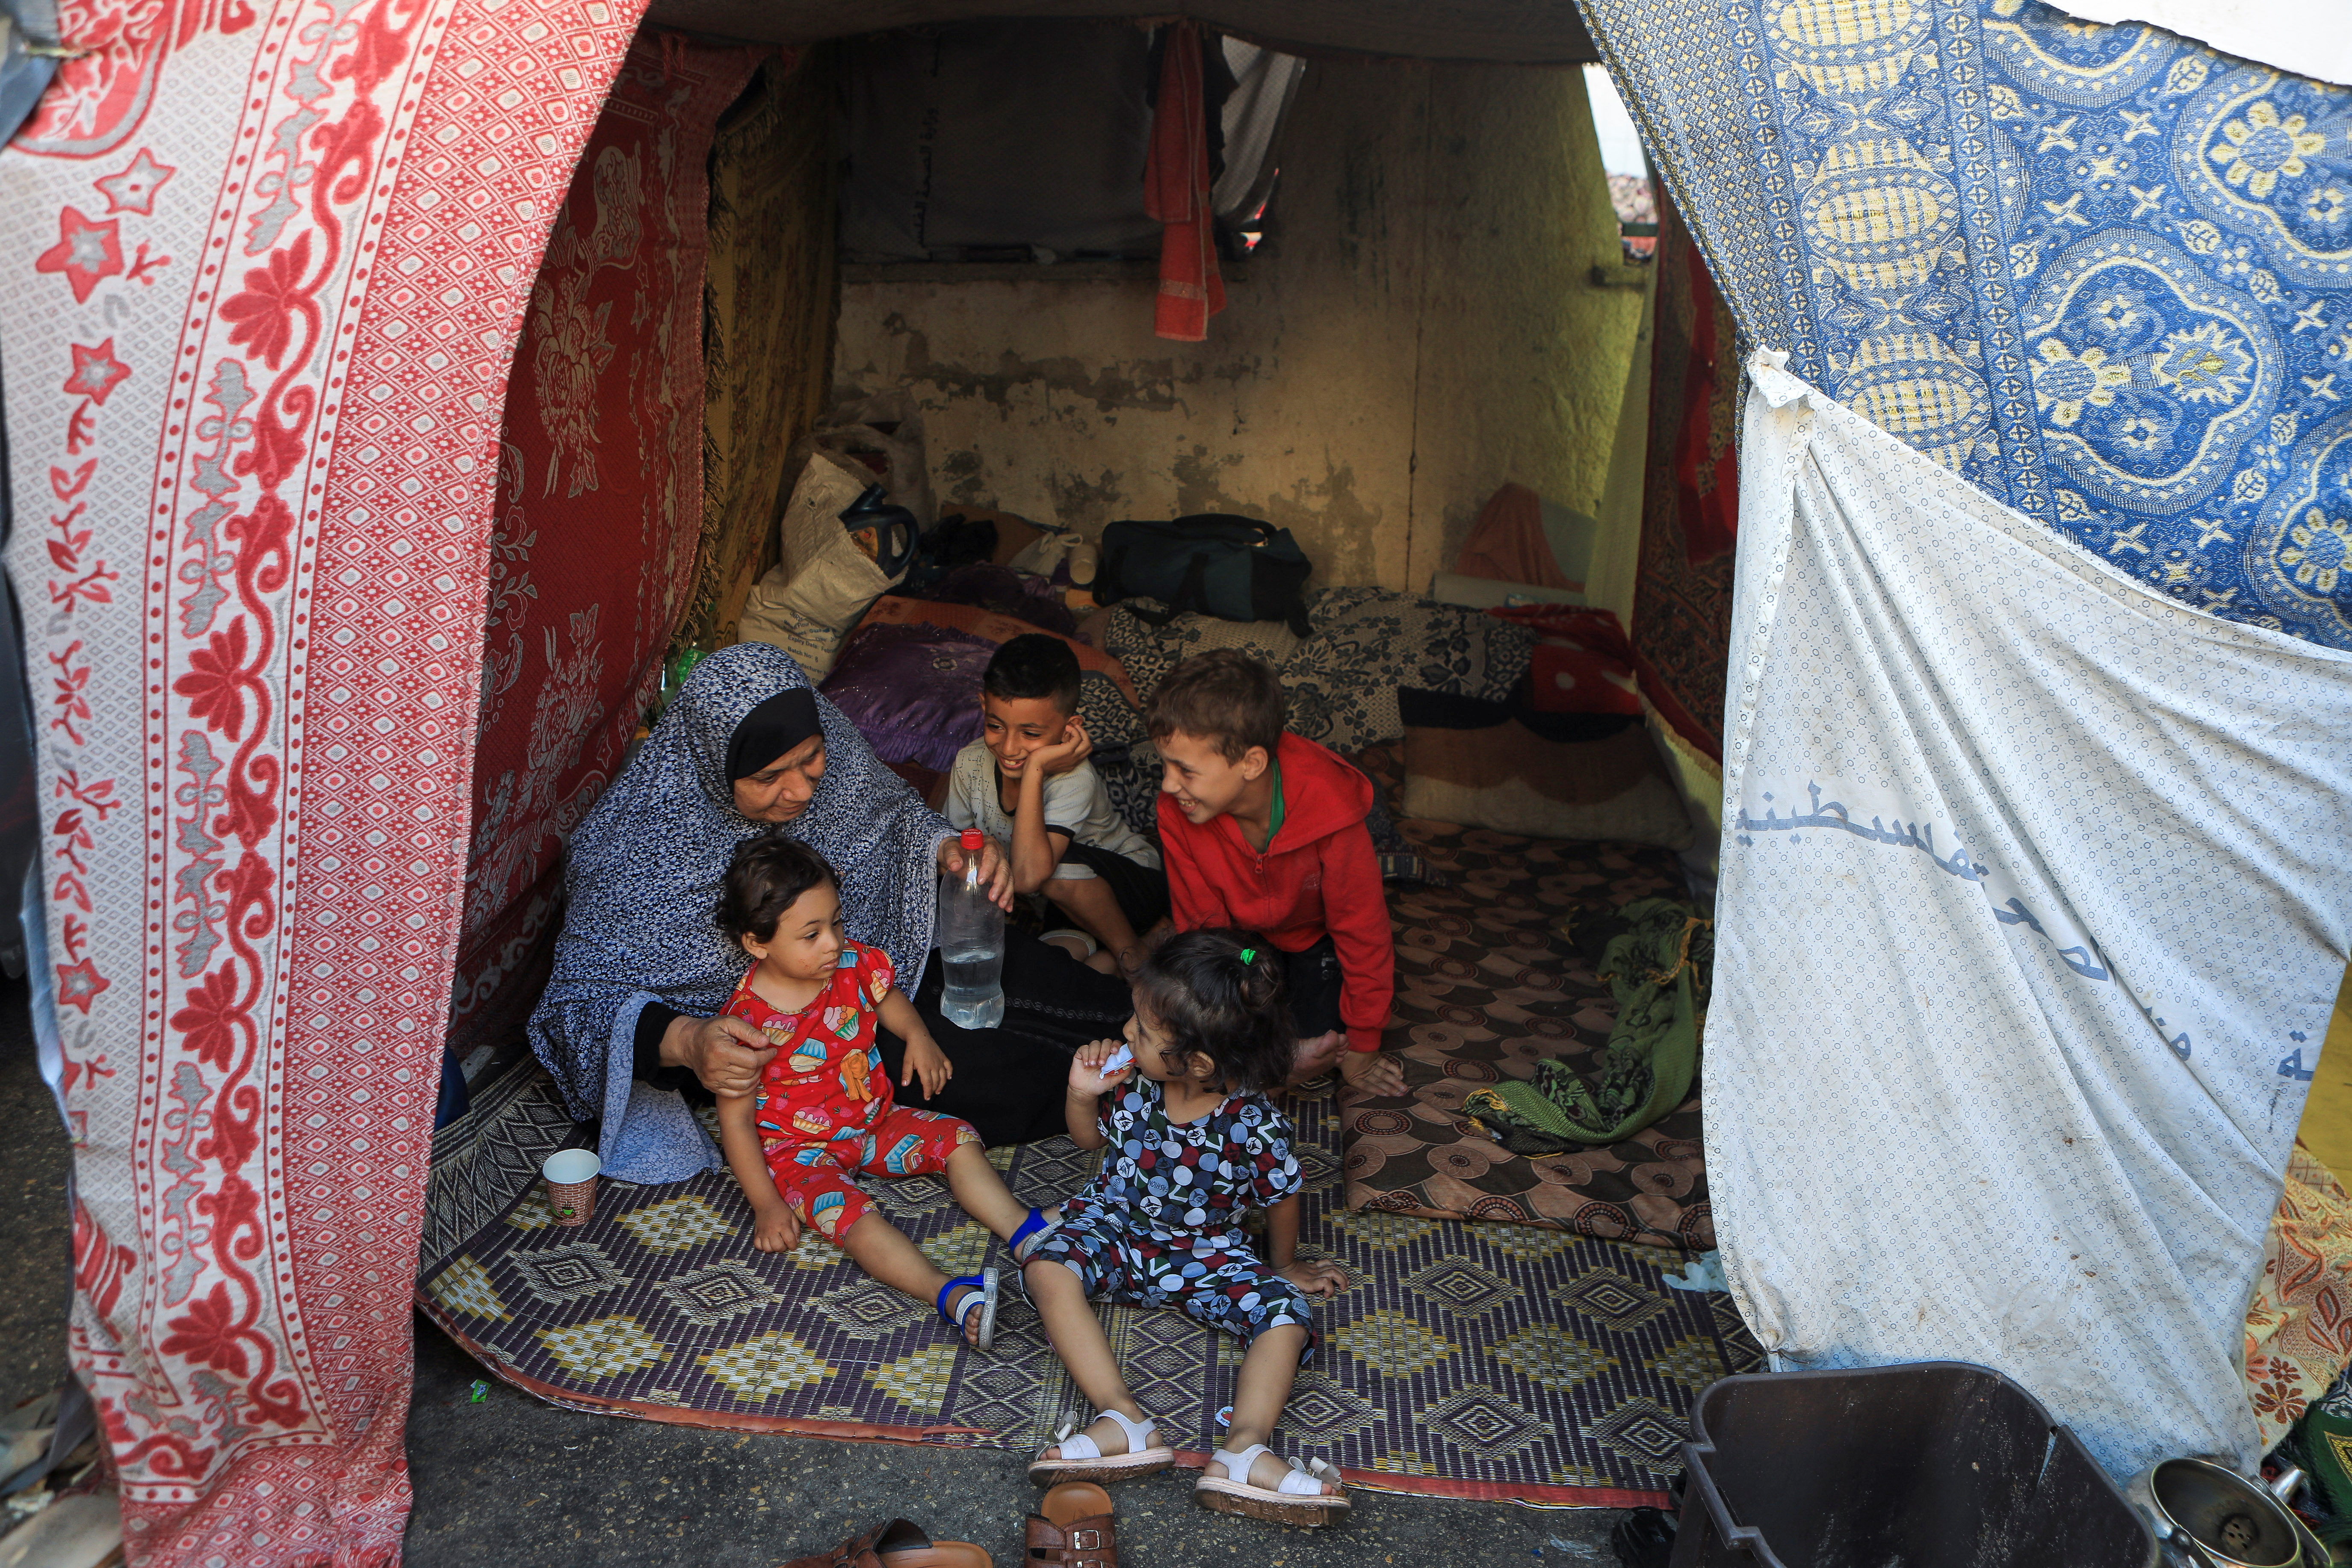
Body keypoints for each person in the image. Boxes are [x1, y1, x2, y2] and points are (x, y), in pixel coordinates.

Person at [528, 641, 1135, 1178]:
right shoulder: (631, 852)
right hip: (825, 1046)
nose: (799, 789)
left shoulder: (835, 762)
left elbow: (893, 816)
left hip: (900, 942)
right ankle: (1163, 1107)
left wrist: (945, 846)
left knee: (1078, 997)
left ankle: (1192, 1048)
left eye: (810, 758)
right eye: (768, 776)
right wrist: (688, 1040)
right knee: (1017, 1073)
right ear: (712, 761)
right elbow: (577, 1005)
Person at [1021, 930, 1350, 1525]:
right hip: (1117, 1230)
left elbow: (1281, 1195)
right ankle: (1122, 1417)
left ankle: (1244, 1449)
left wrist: (1283, 1266)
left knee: (1287, 1316)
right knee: (1046, 1263)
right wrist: (1080, 1094)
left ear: (1197, 1062)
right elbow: (1091, 1141)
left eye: (1143, 1032)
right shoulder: (1136, 1082)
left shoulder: (1254, 1122)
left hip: (1208, 1254)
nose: (1125, 1031)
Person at [710, 834, 1058, 1349]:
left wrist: (917, 1036)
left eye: (836, 922)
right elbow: (735, 1122)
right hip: (798, 1155)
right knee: (853, 1217)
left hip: (875, 1123)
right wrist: (765, 1204)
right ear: (757, 943)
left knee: (957, 1136)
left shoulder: (850, 963)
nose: (832, 942)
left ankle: (1024, 1231)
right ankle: (951, 1293)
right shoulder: (746, 1022)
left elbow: (886, 995)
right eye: (811, 934)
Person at [1145, 650, 1407, 1097]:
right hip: (1248, 949)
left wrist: (1364, 1044)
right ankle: (1274, 1062)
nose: (1168, 785)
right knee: (1212, 1016)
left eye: (1185, 770)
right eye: (1165, 765)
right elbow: (1208, 934)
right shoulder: (1176, 812)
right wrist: (1243, 983)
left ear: (1251, 764)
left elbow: (1361, 930)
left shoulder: (1331, 808)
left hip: (1315, 939)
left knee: (1329, 1036)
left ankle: (1281, 1061)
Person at [944, 635, 1168, 977]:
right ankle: (1136, 949)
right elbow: (958, 852)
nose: (1009, 747)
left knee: (1053, 868)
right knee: (1041, 973)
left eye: (1030, 734)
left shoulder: (1074, 777)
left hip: (1131, 887)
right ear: (983, 707)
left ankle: (1133, 954)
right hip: (1058, 909)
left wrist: (1036, 771)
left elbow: (1033, 874)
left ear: (1069, 729)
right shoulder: (969, 763)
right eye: (995, 726)